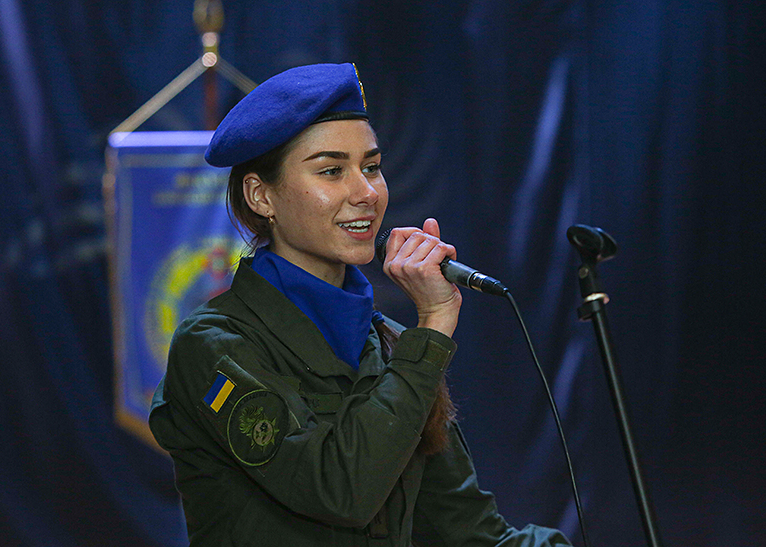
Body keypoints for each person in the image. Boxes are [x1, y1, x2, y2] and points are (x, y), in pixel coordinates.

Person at [149, 62, 571, 547]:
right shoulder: (214, 343)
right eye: (332, 171)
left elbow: (470, 535)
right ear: (261, 196)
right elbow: (338, 491)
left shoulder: (392, 345)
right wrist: (433, 325)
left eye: (371, 167)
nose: (367, 192)